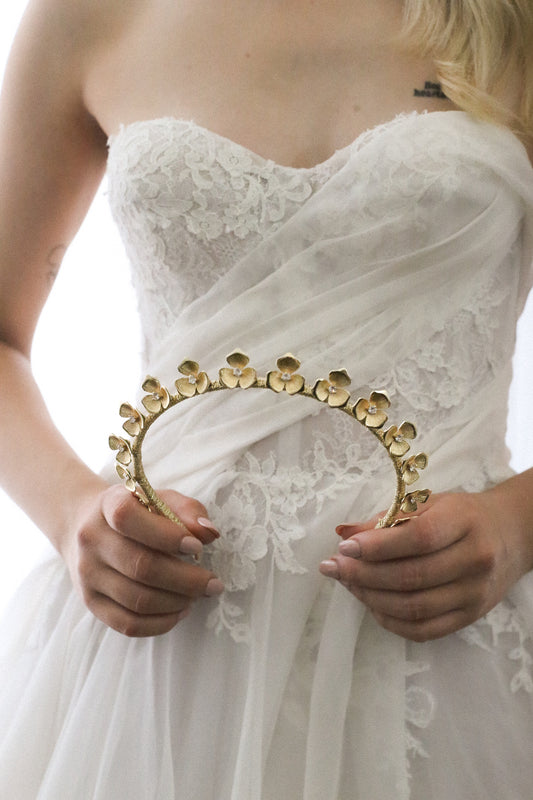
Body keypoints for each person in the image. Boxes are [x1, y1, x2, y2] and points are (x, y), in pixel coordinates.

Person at [0, 0, 532, 797]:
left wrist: (516, 524)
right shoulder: (87, 12)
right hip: (159, 649)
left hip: (449, 644)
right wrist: (74, 512)